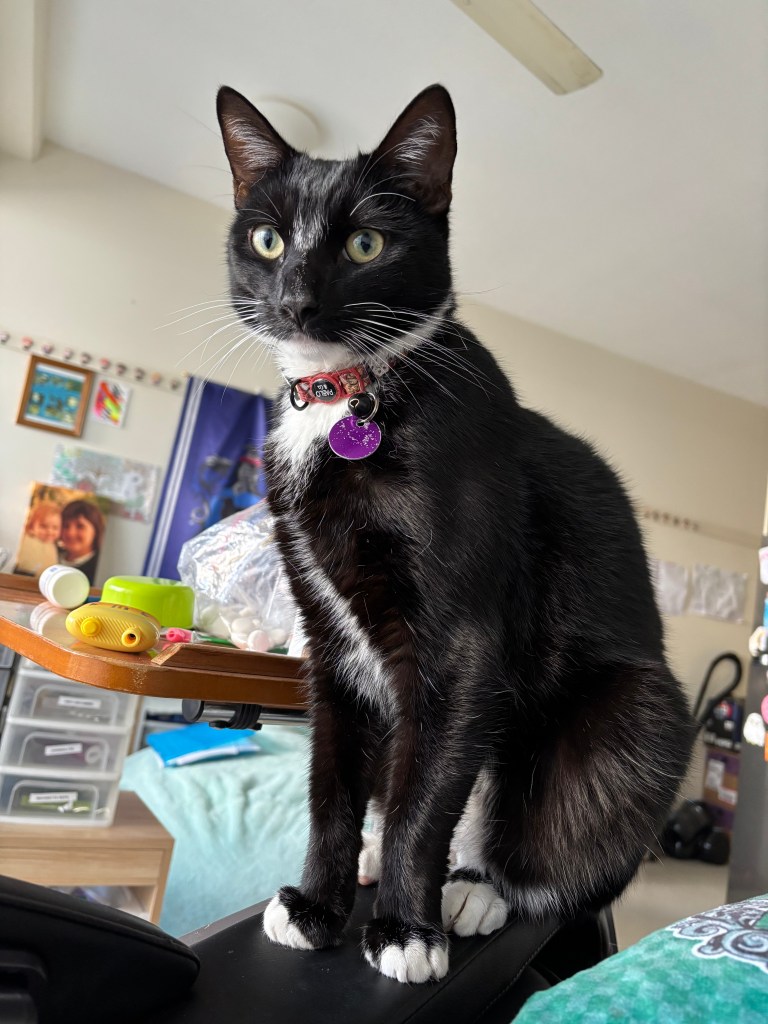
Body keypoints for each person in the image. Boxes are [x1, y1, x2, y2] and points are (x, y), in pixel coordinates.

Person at [58, 500, 105, 584]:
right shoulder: (52, 554)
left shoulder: (101, 568)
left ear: (96, 530)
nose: (70, 533)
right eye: (66, 526)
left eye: (80, 526)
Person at [14, 502, 62, 576]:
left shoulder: (54, 547)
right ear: (32, 524)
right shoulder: (26, 538)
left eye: (55, 527)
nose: (50, 531)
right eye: (43, 526)